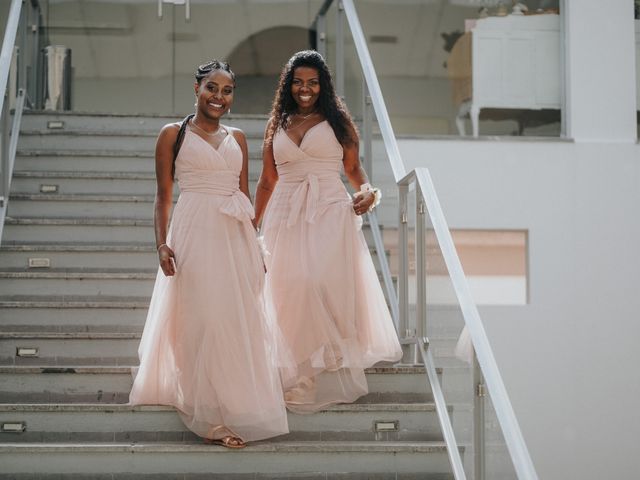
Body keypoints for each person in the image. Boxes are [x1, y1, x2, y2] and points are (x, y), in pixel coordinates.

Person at [129, 60, 290, 448]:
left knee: (233, 319)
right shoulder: (173, 134)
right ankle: (211, 418)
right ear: (197, 88)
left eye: (227, 90)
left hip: (233, 234)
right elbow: (163, 196)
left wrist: (256, 244)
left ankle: (231, 406)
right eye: (212, 88)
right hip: (194, 229)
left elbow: (244, 195)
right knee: (203, 316)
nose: (219, 97)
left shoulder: (238, 138)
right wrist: (161, 243)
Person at [254, 50, 402, 413]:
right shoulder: (276, 124)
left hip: (329, 211)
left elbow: (356, 172)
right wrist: (250, 224)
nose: (305, 89)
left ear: (323, 85)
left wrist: (368, 193)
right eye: (298, 82)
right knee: (288, 290)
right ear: (288, 86)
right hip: (285, 213)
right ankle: (304, 372)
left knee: (315, 281)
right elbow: (267, 180)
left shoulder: (339, 124)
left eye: (313, 82)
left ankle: (323, 358)